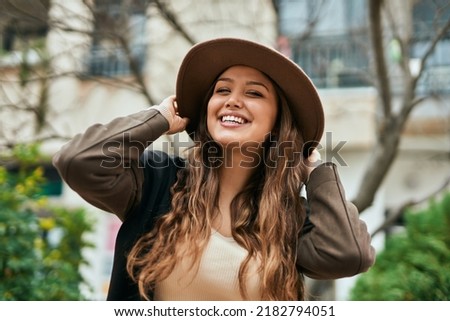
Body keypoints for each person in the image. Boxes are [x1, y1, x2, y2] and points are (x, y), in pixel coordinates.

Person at [53, 38, 375, 301]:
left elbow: (350, 254)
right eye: (222, 90)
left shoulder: (288, 219)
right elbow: (78, 161)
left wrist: (314, 168)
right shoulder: (158, 181)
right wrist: (160, 117)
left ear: (278, 125)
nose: (233, 100)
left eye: (253, 93)